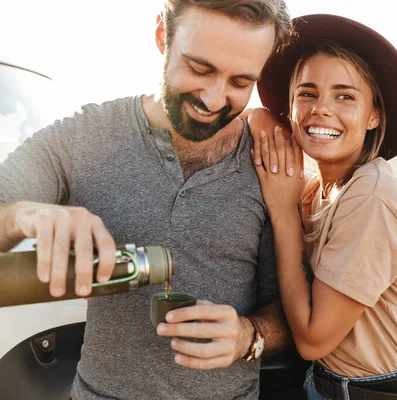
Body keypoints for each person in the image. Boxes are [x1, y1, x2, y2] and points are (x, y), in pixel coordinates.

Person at [0, 1, 295, 399]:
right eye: (199, 68)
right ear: (162, 35)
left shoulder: (269, 163)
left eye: (240, 83)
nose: (212, 99)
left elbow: (290, 310)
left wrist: (249, 335)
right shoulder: (87, 136)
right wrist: (24, 215)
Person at [247, 14, 397, 400]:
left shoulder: (372, 196)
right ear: (290, 108)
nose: (322, 109)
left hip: (386, 393)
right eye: (307, 93)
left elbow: (312, 340)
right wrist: (258, 114)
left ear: (374, 115)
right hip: (328, 387)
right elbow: (257, 116)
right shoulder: (320, 188)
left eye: (345, 96)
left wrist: (283, 212)